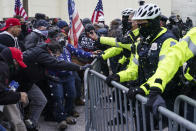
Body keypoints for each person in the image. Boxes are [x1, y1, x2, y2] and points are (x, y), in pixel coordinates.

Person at [0, 47, 28, 131]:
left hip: (5, 93)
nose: (17, 65)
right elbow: (1, 95)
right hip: (3, 96)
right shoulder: (2, 67)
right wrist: (18, 96)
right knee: (16, 119)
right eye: (17, 62)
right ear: (12, 60)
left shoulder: (4, 65)